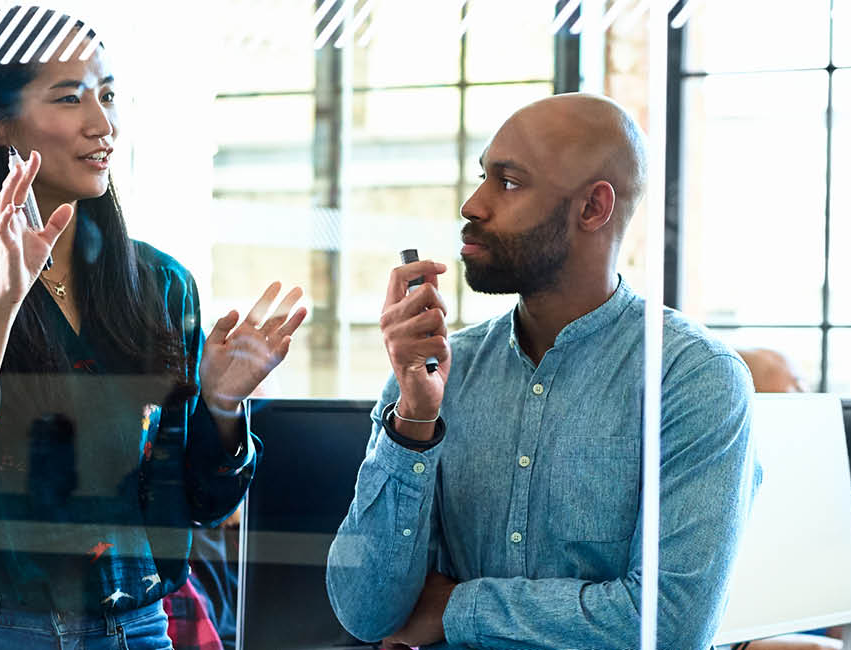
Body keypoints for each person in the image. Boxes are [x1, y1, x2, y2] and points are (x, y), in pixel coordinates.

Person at [0, 6, 306, 649]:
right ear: (0, 123)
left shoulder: (161, 285)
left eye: (107, 96)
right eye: (70, 98)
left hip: (130, 626)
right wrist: (2, 301)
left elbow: (202, 502)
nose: (102, 124)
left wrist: (220, 403)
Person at [325, 92, 761, 650]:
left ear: (592, 209)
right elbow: (367, 613)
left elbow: (667, 627)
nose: (473, 205)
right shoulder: (434, 374)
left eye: (508, 182)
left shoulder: (692, 379)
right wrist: (412, 421)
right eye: (483, 177)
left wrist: (458, 607)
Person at [733, 347, 851, 650]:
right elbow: (724, 640)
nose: (805, 394)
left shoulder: (803, 505)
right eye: (795, 385)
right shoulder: (728, 506)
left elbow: (846, 628)